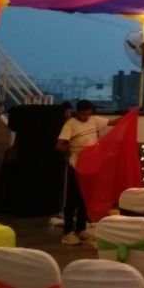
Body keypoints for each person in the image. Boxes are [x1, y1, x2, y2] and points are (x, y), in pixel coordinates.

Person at [55, 100, 116, 245]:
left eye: (88, 114)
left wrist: (131, 115)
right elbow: (59, 145)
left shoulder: (94, 120)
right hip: (76, 165)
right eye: (83, 114)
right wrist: (70, 149)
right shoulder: (70, 124)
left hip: (91, 166)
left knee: (85, 198)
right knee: (72, 199)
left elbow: (114, 122)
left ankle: (81, 229)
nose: (86, 117)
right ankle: (68, 232)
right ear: (78, 112)